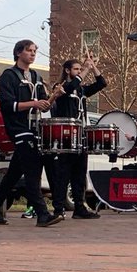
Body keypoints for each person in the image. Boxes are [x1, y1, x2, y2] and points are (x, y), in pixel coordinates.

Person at [0, 39, 63, 227]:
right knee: (32, 171)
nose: (33, 54)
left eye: (35, 51)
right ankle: (42, 214)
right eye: (29, 51)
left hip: (34, 129)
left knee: (14, 173)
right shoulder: (8, 76)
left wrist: (53, 98)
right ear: (18, 53)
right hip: (19, 129)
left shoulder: (36, 76)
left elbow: (43, 105)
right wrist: (34, 103)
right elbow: (8, 105)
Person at [49, 53, 108, 219]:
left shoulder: (81, 89)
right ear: (67, 70)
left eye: (79, 69)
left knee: (80, 174)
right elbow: (70, 86)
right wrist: (86, 69)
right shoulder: (60, 86)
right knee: (63, 174)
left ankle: (79, 207)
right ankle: (58, 208)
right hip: (66, 136)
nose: (79, 71)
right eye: (76, 69)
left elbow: (101, 83)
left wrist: (93, 66)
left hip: (81, 135)